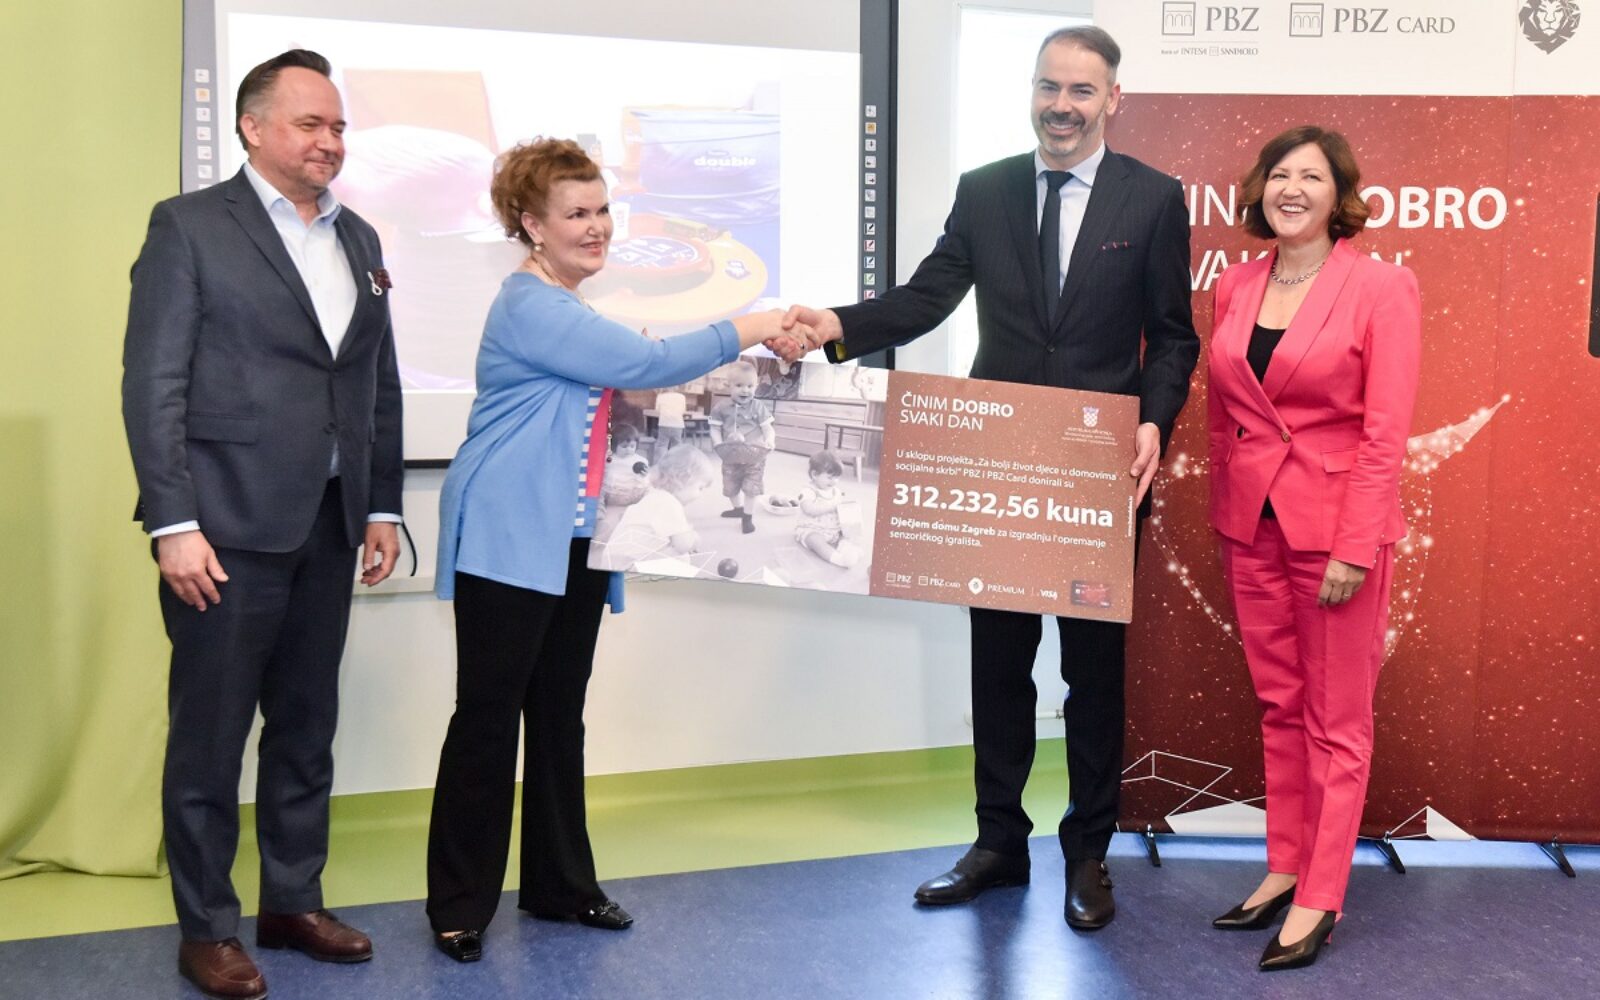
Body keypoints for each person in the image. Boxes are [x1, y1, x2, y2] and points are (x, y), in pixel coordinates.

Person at [778, 25, 1198, 929]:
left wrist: (1156, 420)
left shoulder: (1155, 198)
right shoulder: (986, 188)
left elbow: (1173, 335)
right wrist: (835, 326)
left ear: (1112, 99)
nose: (1061, 106)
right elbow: (927, 298)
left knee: (1092, 676)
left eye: (1081, 90)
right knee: (998, 668)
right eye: (1049, 87)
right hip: (997, 463)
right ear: (1032, 92)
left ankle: (1087, 854)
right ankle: (999, 844)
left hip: (1095, 472)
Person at [426, 138, 801, 962]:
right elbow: (648, 363)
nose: (596, 227)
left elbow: (631, 381)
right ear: (532, 224)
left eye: (602, 210)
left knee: (559, 714)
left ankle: (560, 886)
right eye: (576, 213)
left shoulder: (571, 307)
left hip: (573, 540)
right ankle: (458, 905)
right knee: (488, 719)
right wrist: (759, 323)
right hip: (509, 535)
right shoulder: (531, 306)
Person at [121, 50, 402, 1000]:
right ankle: (207, 928)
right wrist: (173, 521)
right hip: (224, 528)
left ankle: (292, 903)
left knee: (306, 728)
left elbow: (373, 381)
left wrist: (381, 502)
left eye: (339, 127)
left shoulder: (359, 236)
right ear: (252, 128)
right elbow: (153, 383)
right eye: (309, 124)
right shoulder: (190, 226)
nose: (330, 142)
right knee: (209, 739)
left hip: (329, 522)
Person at [1205, 126, 1420, 971]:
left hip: (1335, 537)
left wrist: (1355, 545)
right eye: (1279, 175)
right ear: (1260, 190)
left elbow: (1385, 433)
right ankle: (1285, 866)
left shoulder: (1382, 287)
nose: (1292, 188)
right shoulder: (1235, 284)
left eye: (1312, 177)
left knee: (1337, 724)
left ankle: (1321, 895)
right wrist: (1230, 509)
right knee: (1280, 707)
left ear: (1340, 197)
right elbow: (1227, 416)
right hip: (1251, 527)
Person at [596, 444, 718, 571]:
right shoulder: (670, 504)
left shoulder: (653, 495)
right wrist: (694, 538)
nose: (700, 495)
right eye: (700, 488)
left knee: (670, 548)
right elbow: (683, 544)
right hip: (627, 567)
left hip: (613, 562)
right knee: (682, 558)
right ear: (683, 479)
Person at [708, 360, 775, 533]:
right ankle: (737, 509)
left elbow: (767, 428)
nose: (745, 390)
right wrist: (717, 443)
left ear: (756, 386)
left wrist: (770, 440)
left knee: (751, 488)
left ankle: (747, 517)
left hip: (754, 455)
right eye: (739, 385)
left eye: (750, 386)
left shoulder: (758, 407)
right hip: (730, 455)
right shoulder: (721, 407)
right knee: (730, 486)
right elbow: (715, 428)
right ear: (728, 385)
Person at [793, 451, 859, 568]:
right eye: (829, 478)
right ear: (814, 474)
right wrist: (831, 507)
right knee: (815, 541)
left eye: (837, 478)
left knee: (848, 533)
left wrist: (848, 511)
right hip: (811, 529)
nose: (834, 481)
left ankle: (845, 548)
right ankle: (838, 559)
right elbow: (809, 509)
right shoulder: (808, 491)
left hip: (833, 529)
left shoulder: (836, 491)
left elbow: (840, 509)